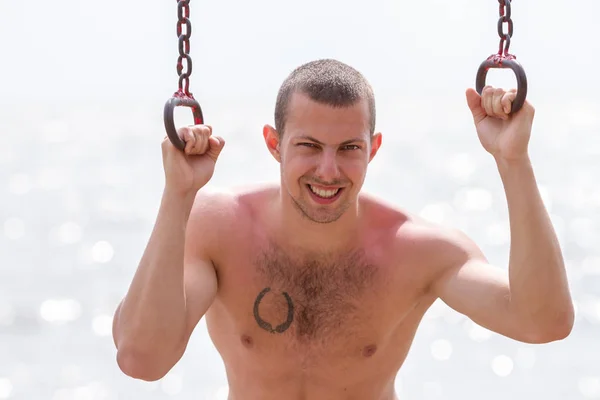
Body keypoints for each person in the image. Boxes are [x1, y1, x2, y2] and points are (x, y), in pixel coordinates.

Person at [112, 59, 574, 399]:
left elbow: (543, 322)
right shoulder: (217, 228)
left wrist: (513, 162)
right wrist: (178, 195)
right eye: (309, 146)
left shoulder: (417, 251)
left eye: (349, 148)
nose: (328, 170)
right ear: (274, 144)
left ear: (372, 149)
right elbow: (141, 359)